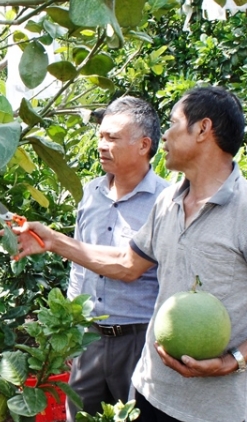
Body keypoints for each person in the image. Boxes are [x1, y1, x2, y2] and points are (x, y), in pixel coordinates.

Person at [14, 86, 247, 422]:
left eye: (173, 124)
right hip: (154, 391)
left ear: (203, 129)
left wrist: (235, 359)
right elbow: (127, 265)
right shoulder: (167, 202)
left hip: (217, 407)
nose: (165, 136)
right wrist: (53, 240)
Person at [64, 96, 168, 420]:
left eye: (113, 138)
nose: (102, 145)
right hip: (90, 338)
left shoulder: (165, 202)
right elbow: (79, 264)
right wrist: (71, 328)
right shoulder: (91, 194)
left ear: (143, 145)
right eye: (101, 136)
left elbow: (143, 270)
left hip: (138, 341)